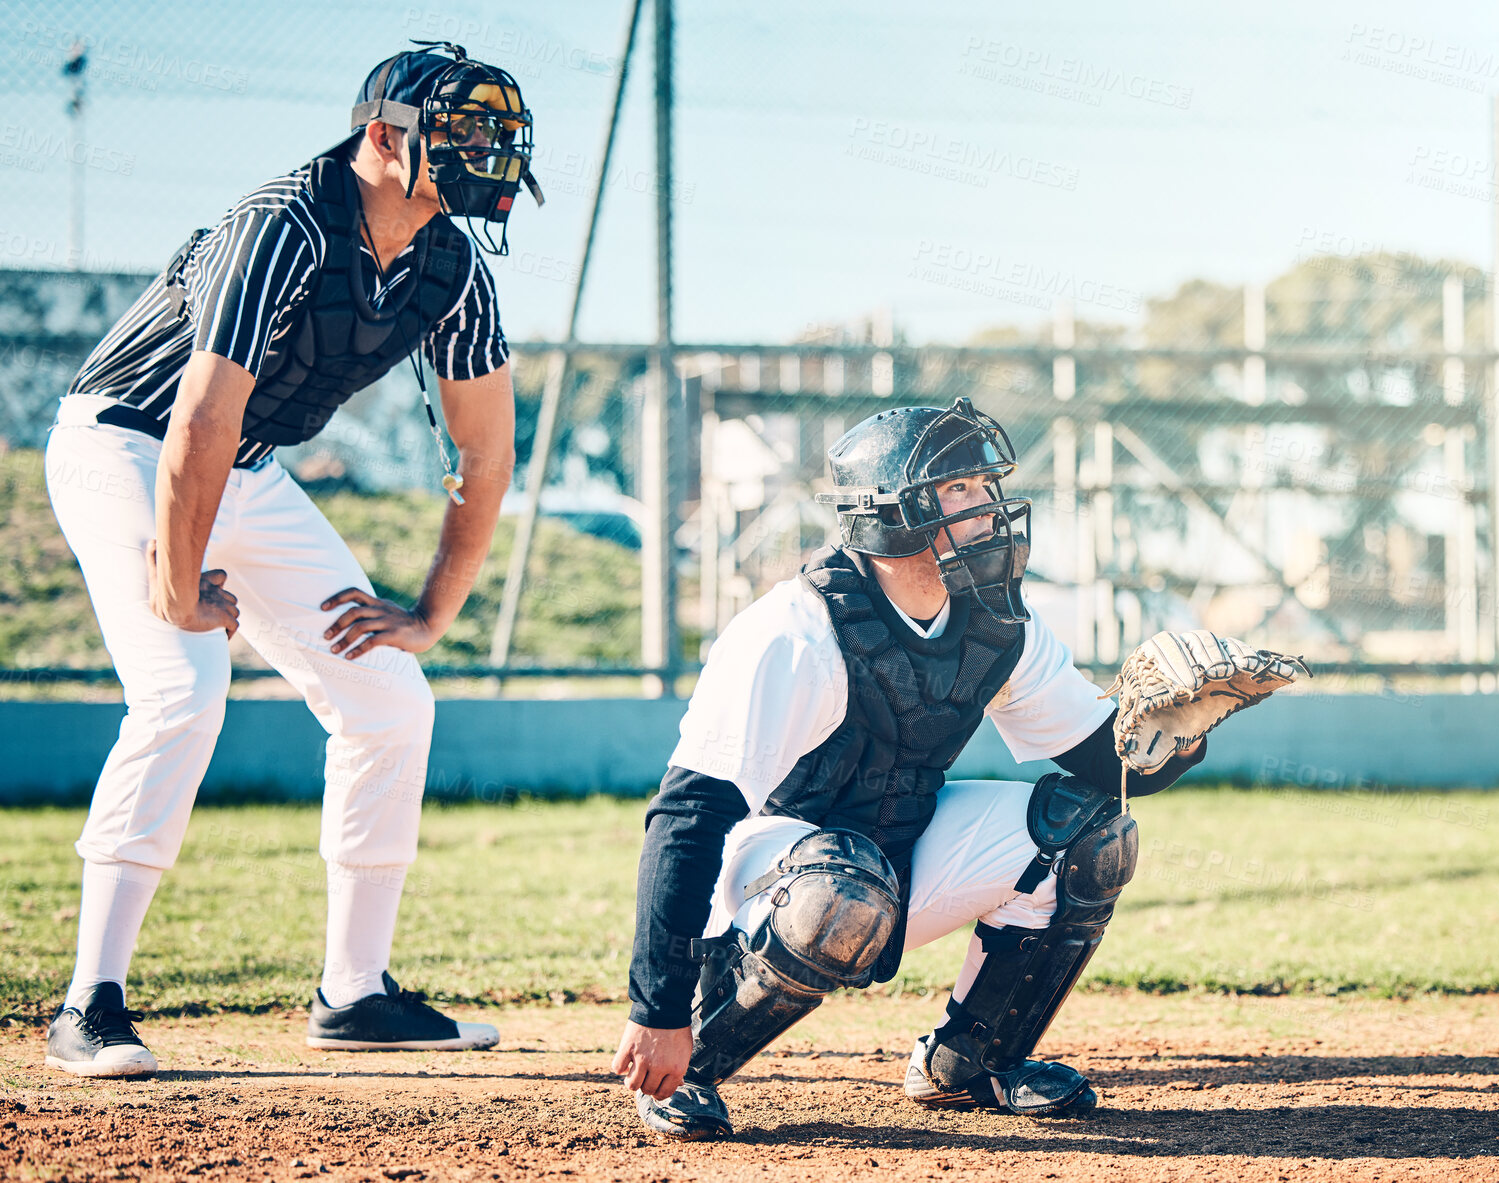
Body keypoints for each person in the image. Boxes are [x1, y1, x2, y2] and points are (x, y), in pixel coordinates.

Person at [41, 41, 542, 1078]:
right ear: (380, 135)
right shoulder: (285, 223)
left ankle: (354, 992)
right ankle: (89, 999)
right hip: (125, 443)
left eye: (494, 134)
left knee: (391, 698)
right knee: (182, 684)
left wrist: (431, 615)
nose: (483, 152)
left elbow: (485, 451)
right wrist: (178, 588)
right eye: (459, 131)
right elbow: (199, 416)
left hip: (249, 469)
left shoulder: (448, 262)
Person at [611, 398, 1210, 1139]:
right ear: (893, 513)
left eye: (986, 485)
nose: (989, 506)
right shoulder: (796, 630)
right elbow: (686, 818)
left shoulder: (997, 622)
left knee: (1090, 832)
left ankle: (970, 1060)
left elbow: (1107, 761)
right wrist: (656, 1010)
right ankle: (688, 1064)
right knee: (841, 888)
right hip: (762, 876)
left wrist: (1180, 730)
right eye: (960, 489)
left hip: (889, 853)